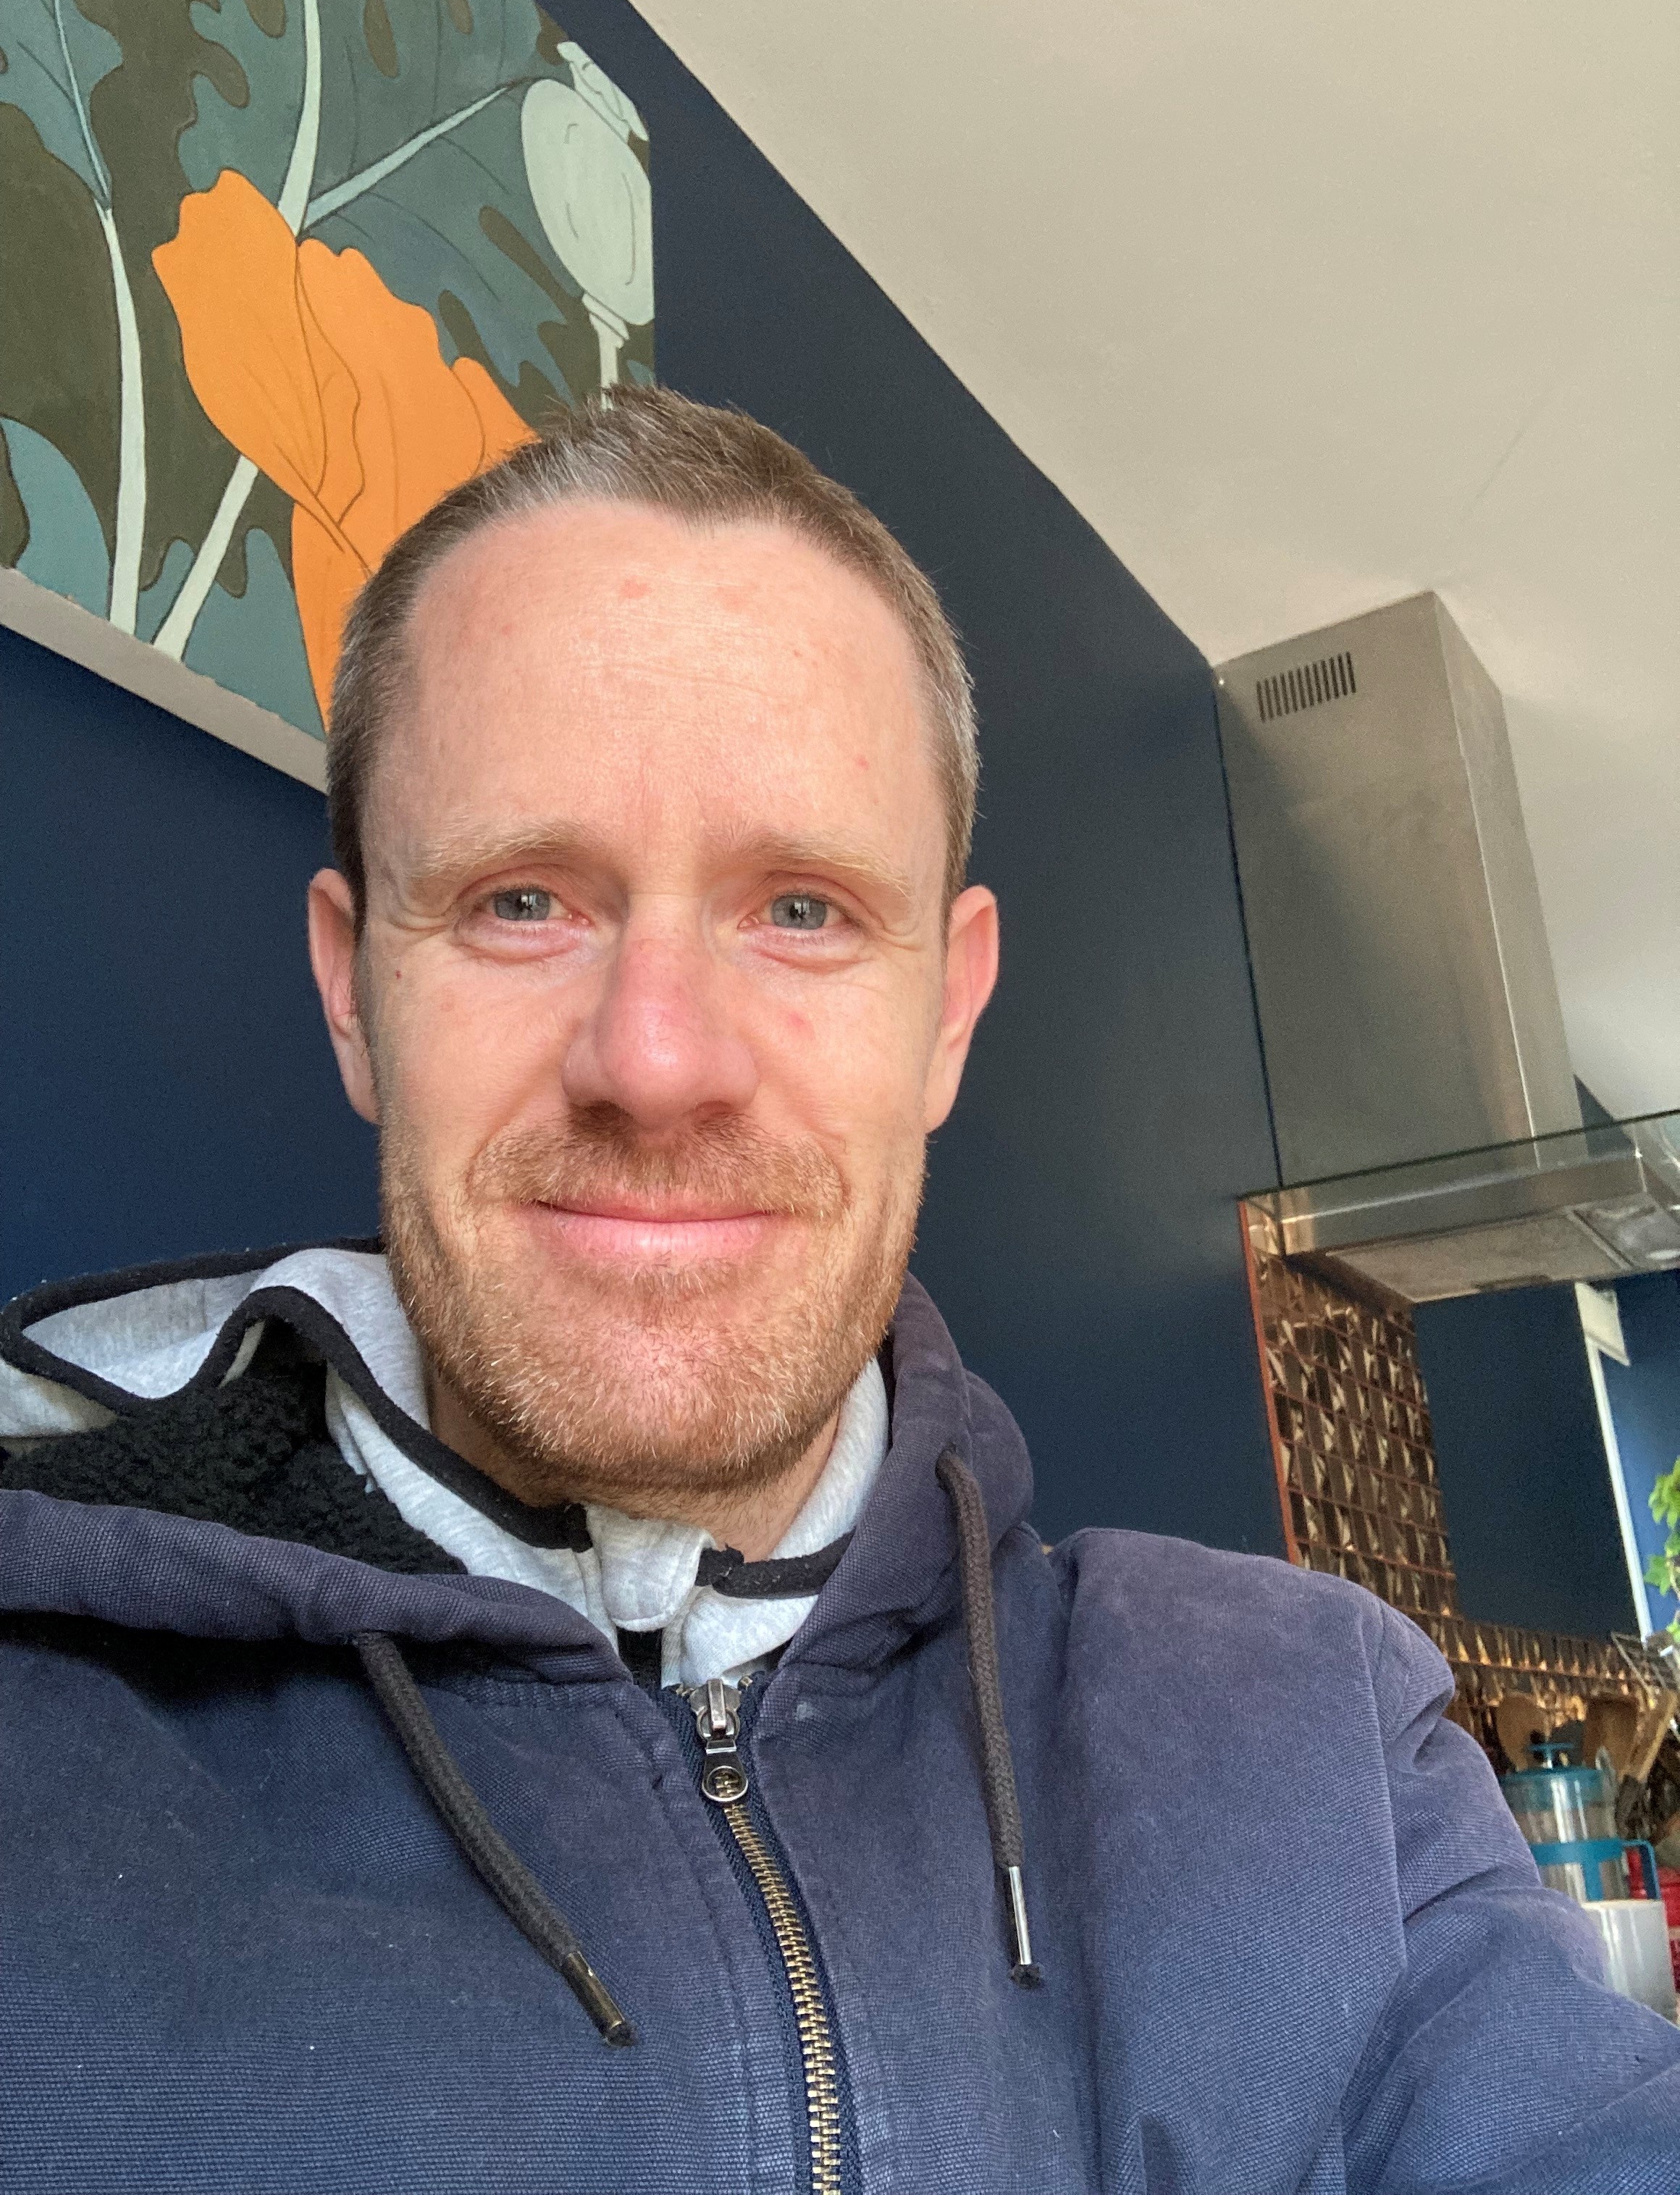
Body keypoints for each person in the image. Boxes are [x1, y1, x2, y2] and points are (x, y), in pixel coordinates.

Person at [1, 389, 1675, 2195]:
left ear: (945, 1011)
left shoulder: (1314, 1741)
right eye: (520, 899)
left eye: (800, 908)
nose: (654, 1060)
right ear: (352, 989)